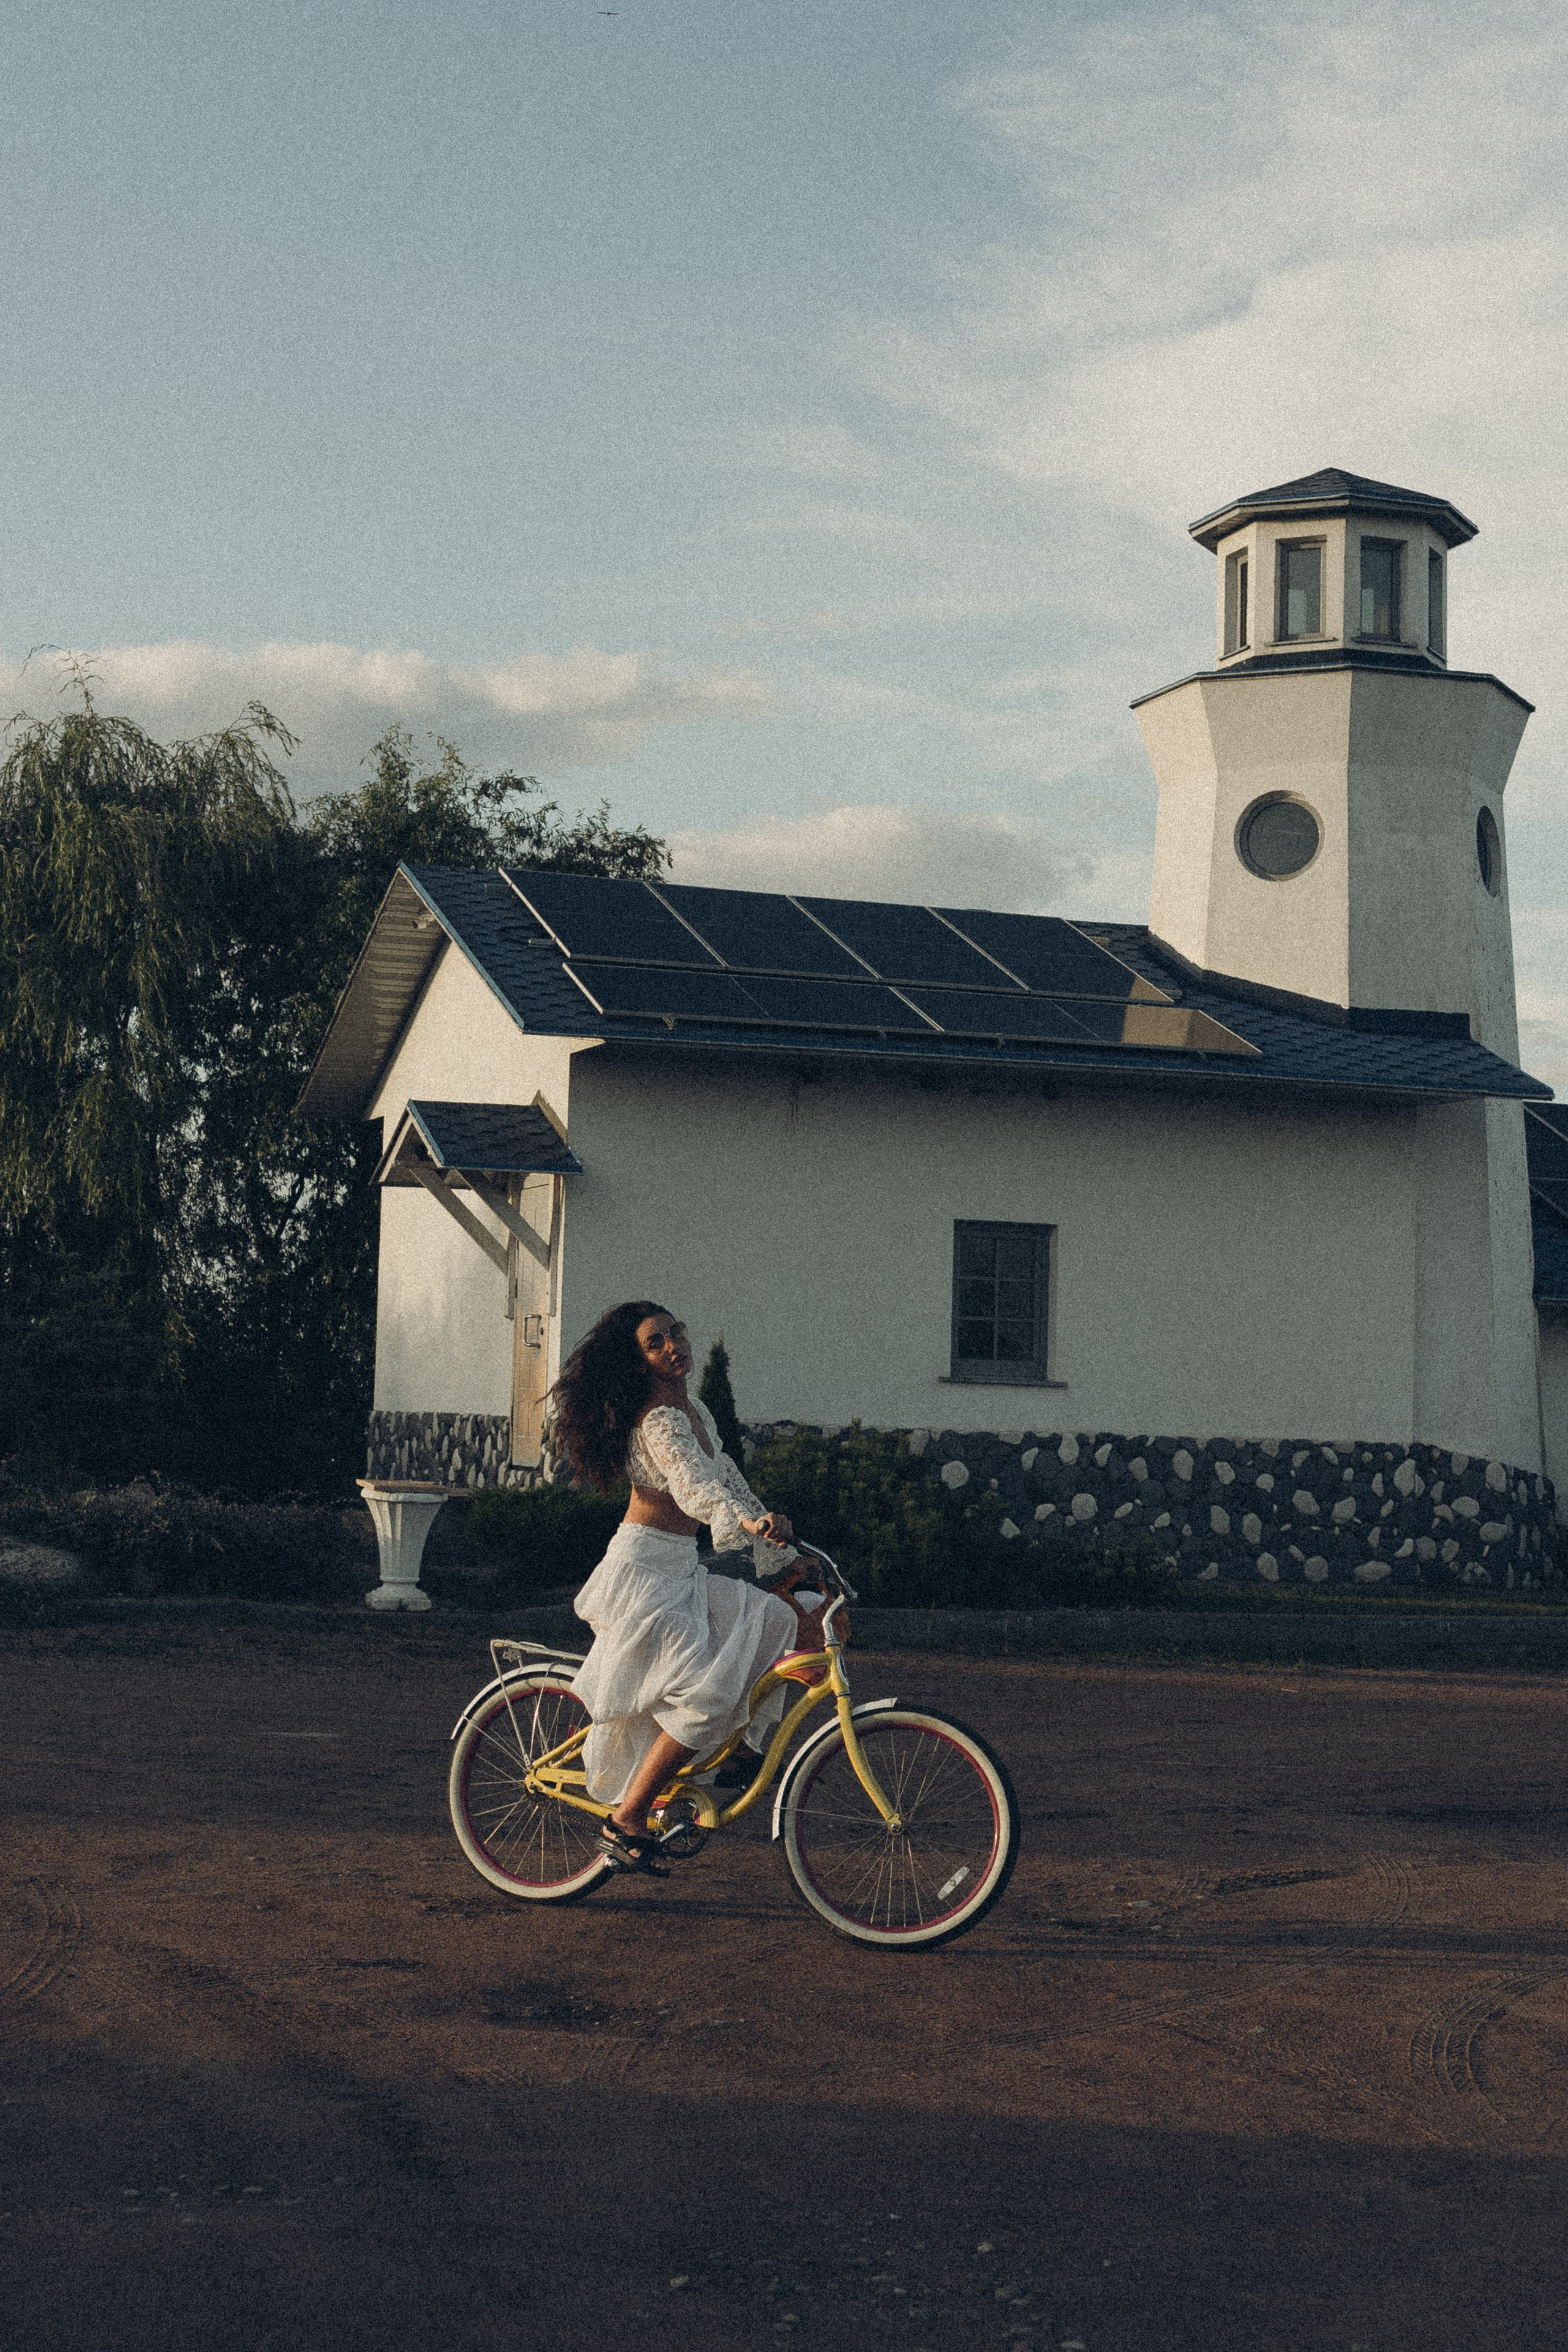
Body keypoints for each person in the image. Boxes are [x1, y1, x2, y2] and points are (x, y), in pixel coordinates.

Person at [549, 1300, 819, 1876]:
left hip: (680, 1568)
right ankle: (625, 1819)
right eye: (655, 1343)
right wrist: (743, 1524)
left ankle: (741, 1753)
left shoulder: (695, 1410)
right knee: (704, 1695)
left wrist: (781, 1549)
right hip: (643, 1573)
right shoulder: (658, 1421)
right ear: (639, 1361)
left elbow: (728, 1481)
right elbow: (693, 1487)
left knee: (778, 1620)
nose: (673, 1346)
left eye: (675, 1333)